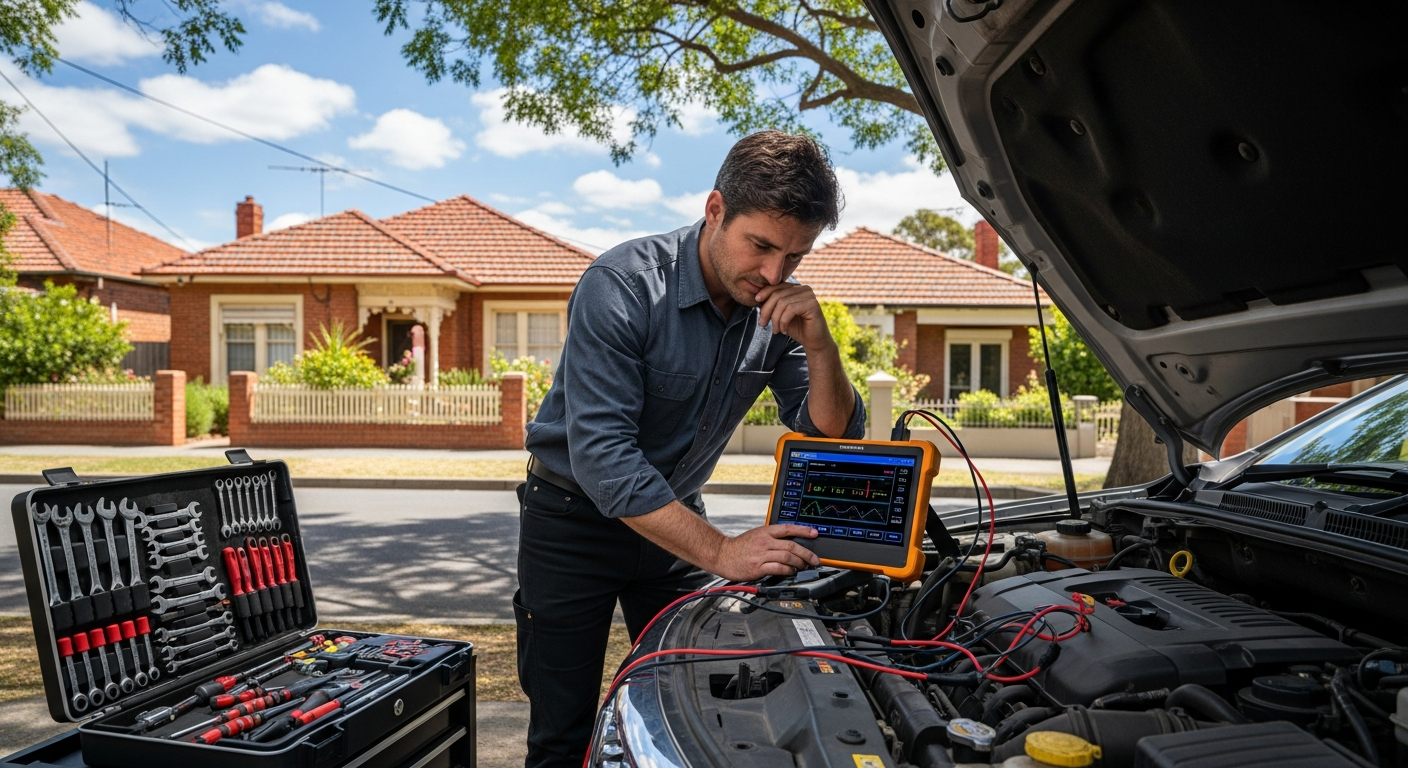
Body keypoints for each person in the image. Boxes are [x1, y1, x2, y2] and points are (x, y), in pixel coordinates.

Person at [516, 130, 866, 768]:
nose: (772, 275)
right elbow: (605, 462)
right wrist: (724, 552)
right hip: (571, 523)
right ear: (715, 211)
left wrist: (821, 347)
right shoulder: (621, 286)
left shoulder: (777, 308)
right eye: (760, 246)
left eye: (794, 257)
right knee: (561, 732)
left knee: (690, 706)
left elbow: (832, 437)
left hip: (672, 521)